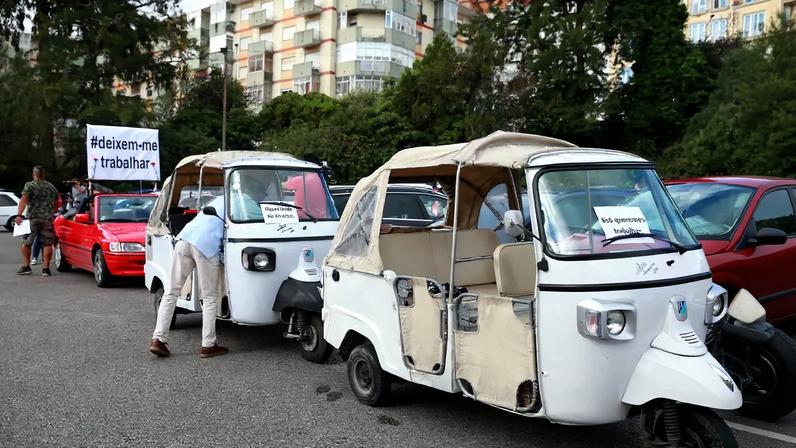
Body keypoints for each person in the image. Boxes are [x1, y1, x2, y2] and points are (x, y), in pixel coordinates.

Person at [150, 196, 227, 359]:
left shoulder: (219, 199)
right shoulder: (245, 203)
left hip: (184, 239)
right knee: (210, 297)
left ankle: (158, 339)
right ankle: (208, 345)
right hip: (206, 246)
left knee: (171, 292)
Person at [15, 166, 59, 276]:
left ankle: (26, 266)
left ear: (33, 174)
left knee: (26, 242)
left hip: (32, 218)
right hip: (47, 219)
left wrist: (19, 215)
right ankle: (46, 269)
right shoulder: (51, 187)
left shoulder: (29, 186)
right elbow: (56, 202)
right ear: (44, 175)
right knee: (47, 243)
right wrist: (50, 211)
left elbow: (23, 201)